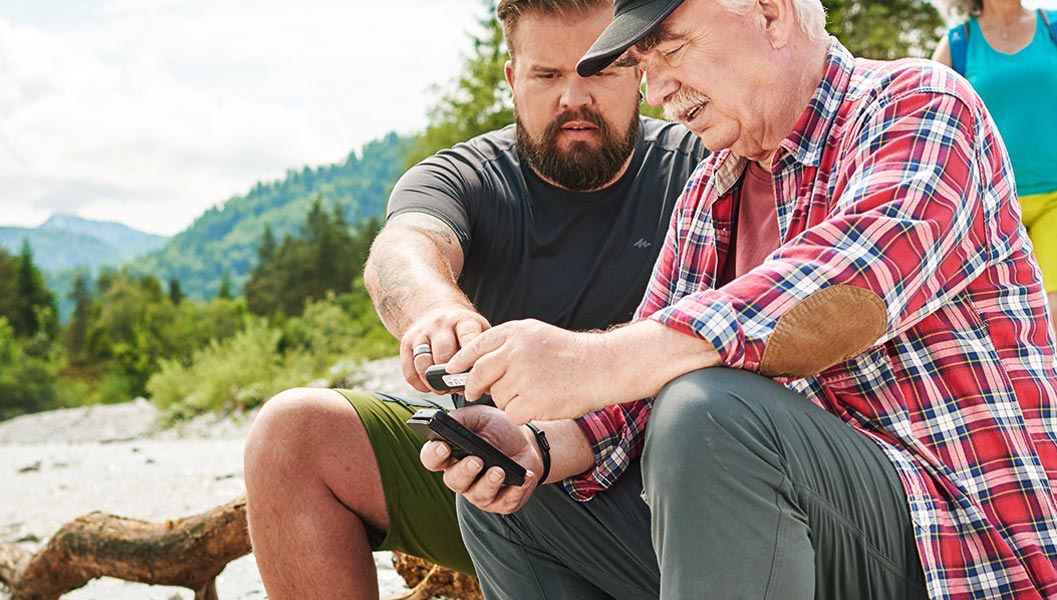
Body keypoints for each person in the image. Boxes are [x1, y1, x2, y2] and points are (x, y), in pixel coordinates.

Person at [418, 0, 1057, 597]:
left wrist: (590, 361)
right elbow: (626, 404)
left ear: (772, 11)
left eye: (669, 48)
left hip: (970, 549)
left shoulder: (921, 105)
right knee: (512, 497)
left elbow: (844, 292)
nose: (656, 89)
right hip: (801, 537)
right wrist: (537, 445)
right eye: (642, 62)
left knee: (710, 413)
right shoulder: (710, 191)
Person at [239, 0, 708, 595]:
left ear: (638, 73)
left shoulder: (702, 170)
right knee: (294, 433)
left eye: (598, 70)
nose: (574, 97)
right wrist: (435, 310)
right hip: (495, 481)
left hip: (665, 501)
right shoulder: (466, 176)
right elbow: (404, 248)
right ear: (512, 80)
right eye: (547, 75)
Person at [930, 0, 1057, 398]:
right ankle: (1019, 427)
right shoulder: (958, 43)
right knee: (997, 331)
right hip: (988, 205)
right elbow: (930, 121)